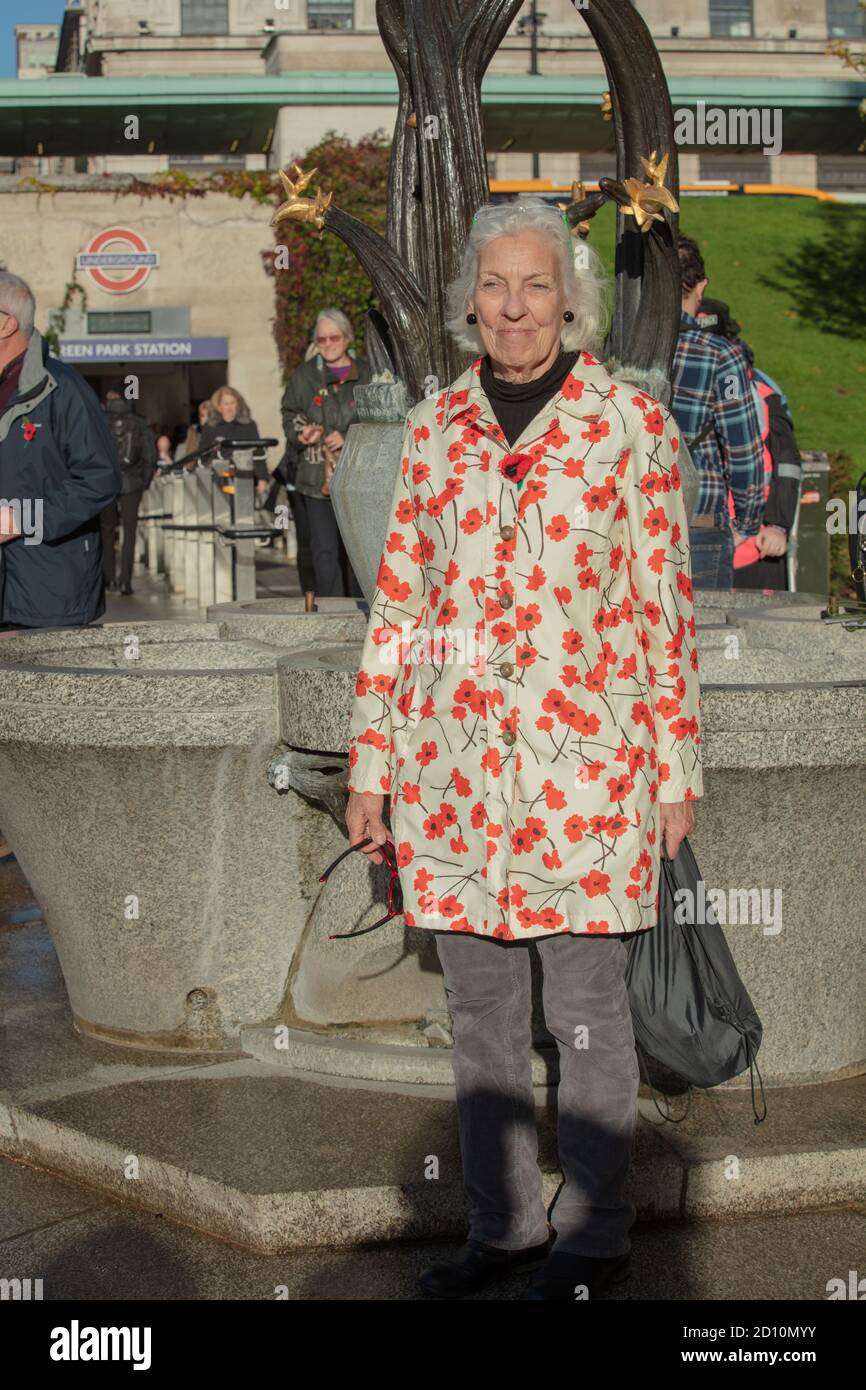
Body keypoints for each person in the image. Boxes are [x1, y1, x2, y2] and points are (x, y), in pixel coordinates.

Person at [344, 200, 703, 1300]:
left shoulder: (626, 428)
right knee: (482, 1017)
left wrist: (673, 768)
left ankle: (593, 1233)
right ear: (469, 301)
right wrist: (373, 763)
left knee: (588, 1012)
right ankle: (501, 1229)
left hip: (585, 774)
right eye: (492, 286)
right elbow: (397, 606)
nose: (511, 307)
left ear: (569, 299)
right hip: (450, 774)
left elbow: (663, 608)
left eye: (533, 285)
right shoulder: (434, 428)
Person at [0, 271, 120, 629]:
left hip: (47, 592)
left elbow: (100, 480)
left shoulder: (64, 389)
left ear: (6, 324)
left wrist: (22, 519)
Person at [670, 237, 765, 589]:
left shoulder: (612, 349)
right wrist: (748, 521)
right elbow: (742, 450)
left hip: (629, 520)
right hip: (701, 519)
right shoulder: (719, 355)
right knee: (705, 640)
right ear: (700, 286)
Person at [280, 308, 371, 596]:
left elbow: (381, 419)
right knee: (323, 551)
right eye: (321, 340)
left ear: (347, 338)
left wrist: (347, 436)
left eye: (334, 338)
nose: (328, 344)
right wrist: (300, 433)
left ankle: (362, 611)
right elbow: (289, 411)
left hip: (358, 476)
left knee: (357, 549)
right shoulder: (305, 375)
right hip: (316, 475)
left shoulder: (367, 373)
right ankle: (332, 611)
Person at [99, 385, 158, 595]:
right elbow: (151, 456)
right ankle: (125, 581)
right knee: (130, 531)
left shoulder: (100, 420)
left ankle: (108, 579)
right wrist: (145, 482)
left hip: (106, 482)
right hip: (132, 482)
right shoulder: (139, 422)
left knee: (106, 531)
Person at [198, 385, 269, 495]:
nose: (230, 407)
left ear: (238, 404)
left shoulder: (249, 425)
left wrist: (262, 479)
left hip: (245, 477)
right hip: (218, 479)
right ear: (219, 406)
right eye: (226, 403)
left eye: (233, 403)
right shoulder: (210, 427)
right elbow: (202, 453)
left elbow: (258, 452)